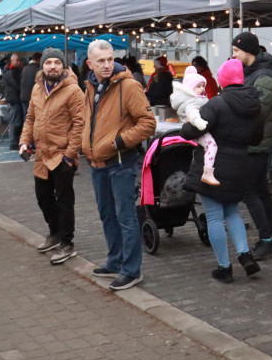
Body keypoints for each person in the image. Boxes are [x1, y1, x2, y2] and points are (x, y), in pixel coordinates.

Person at [180, 59, 264, 282]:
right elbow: (257, 138)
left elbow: (193, 130)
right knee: (232, 212)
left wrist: (185, 126)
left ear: (222, 80)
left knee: (214, 216)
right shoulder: (255, 105)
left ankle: (224, 268)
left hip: (214, 166)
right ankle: (245, 255)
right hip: (240, 165)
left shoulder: (217, 103)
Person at [83, 39, 157, 290]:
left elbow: (148, 123)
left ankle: (131, 270)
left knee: (126, 217)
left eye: (110, 59)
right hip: (97, 162)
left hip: (121, 162)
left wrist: (120, 141)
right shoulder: (91, 86)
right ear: (90, 64)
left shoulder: (128, 85)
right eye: (101, 61)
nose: (106, 65)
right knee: (107, 215)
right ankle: (115, 261)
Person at [19, 48, 86, 265]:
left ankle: (67, 243)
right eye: (49, 63)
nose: (53, 66)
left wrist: (70, 155)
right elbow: (30, 118)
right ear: (43, 66)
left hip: (62, 156)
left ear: (64, 66)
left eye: (57, 62)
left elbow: (80, 124)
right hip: (42, 155)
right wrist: (24, 141)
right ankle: (54, 233)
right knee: (43, 198)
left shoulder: (73, 90)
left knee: (64, 202)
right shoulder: (37, 89)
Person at [231, 32, 272, 260]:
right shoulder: (252, 73)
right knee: (260, 191)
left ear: (248, 51)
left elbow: (257, 111)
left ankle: (267, 239)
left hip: (257, 143)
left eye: (236, 51)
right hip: (255, 142)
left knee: (249, 191)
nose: (233, 55)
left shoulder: (264, 77)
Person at [171, 66, 221, 186]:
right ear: (190, 88)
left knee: (204, 148)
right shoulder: (192, 101)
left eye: (203, 86)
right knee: (212, 145)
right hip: (198, 127)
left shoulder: (198, 98)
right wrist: (199, 122)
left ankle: (200, 168)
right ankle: (207, 173)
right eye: (198, 86)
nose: (202, 88)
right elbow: (192, 113)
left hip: (197, 129)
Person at [2, 53, 24, 149]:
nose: (18, 62)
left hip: (14, 99)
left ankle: (15, 142)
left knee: (16, 122)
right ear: (12, 61)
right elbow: (17, 86)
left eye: (19, 60)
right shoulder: (11, 73)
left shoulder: (11, 71)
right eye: (17, 60)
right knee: (15, 122)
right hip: (14, 99)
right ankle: (13, 143)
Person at [20, 51, 42, 117]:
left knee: (27, 117)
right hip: (34, 97)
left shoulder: (25, 68)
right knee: (35, 117)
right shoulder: (38, 69)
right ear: (39, 59)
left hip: (24, 96)